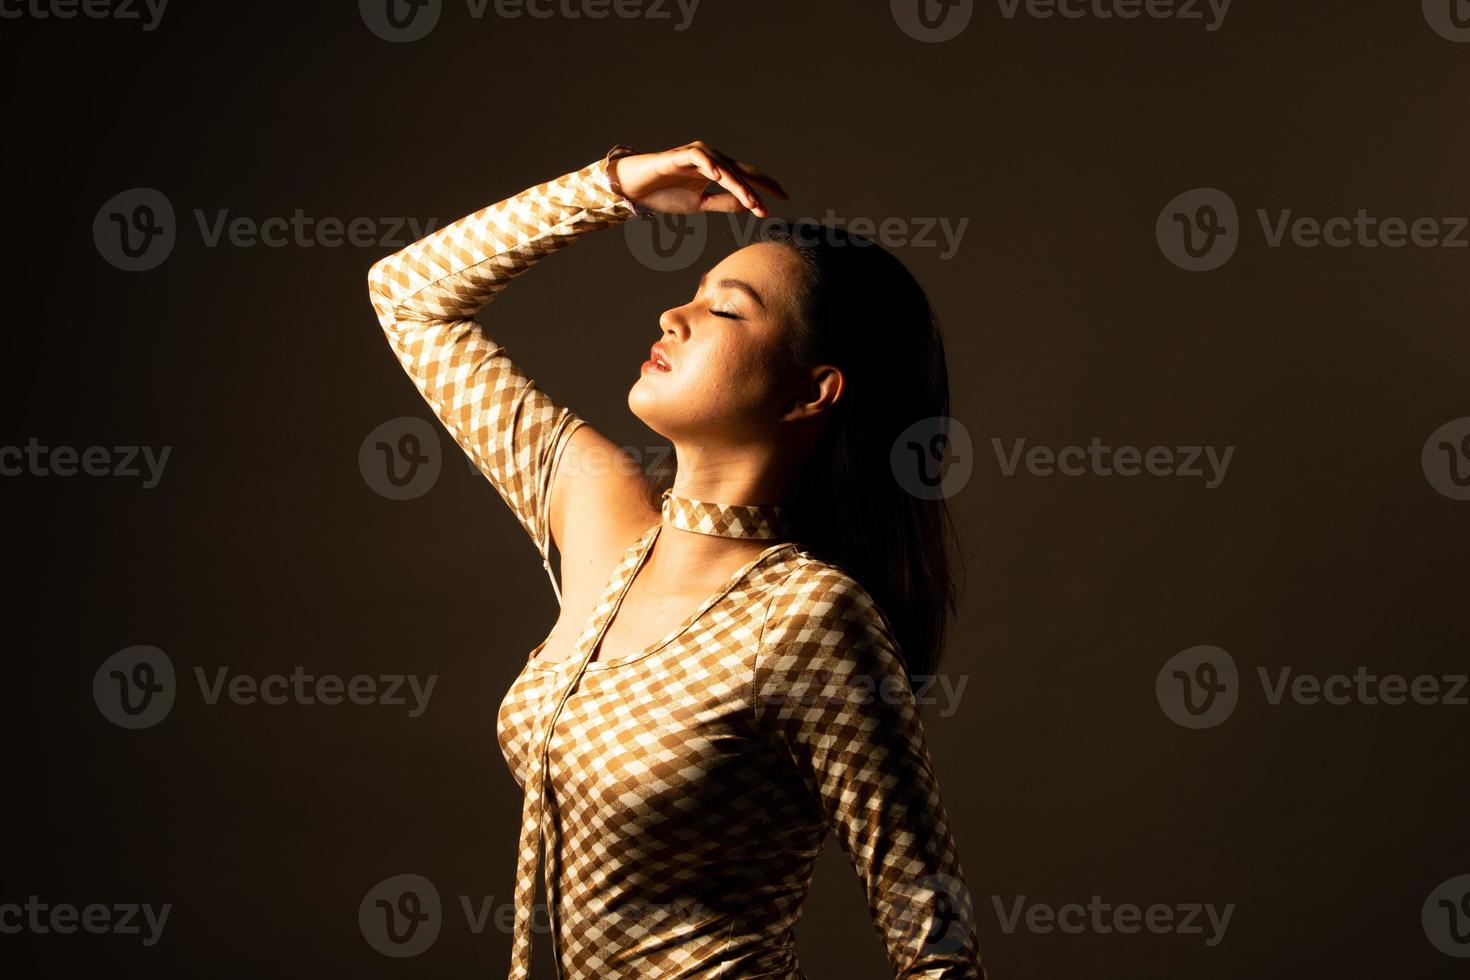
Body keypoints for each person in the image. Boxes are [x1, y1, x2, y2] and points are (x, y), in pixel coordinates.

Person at [367, 140, 984, 979]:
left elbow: (934, 933)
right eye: (688, 297)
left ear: (813, 391)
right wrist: (611, 188)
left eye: (725, 311)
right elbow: (409, 297)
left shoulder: (804, 616)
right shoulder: (598, 510)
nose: (673, 316)